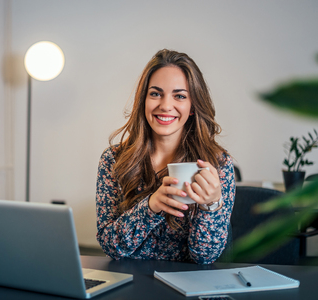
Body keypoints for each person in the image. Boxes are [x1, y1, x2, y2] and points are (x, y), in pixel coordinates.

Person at [95, 49, 235, 264]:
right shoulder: (114, 159)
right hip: (128, 283)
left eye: (179, 96)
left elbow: (205, 257)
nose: (166, 105)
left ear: (192, 107)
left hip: (186, 287)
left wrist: (212, 205)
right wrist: (151, 206)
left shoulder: (217, 164)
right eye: (155, 93)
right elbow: (110, 245)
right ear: (143, 100)